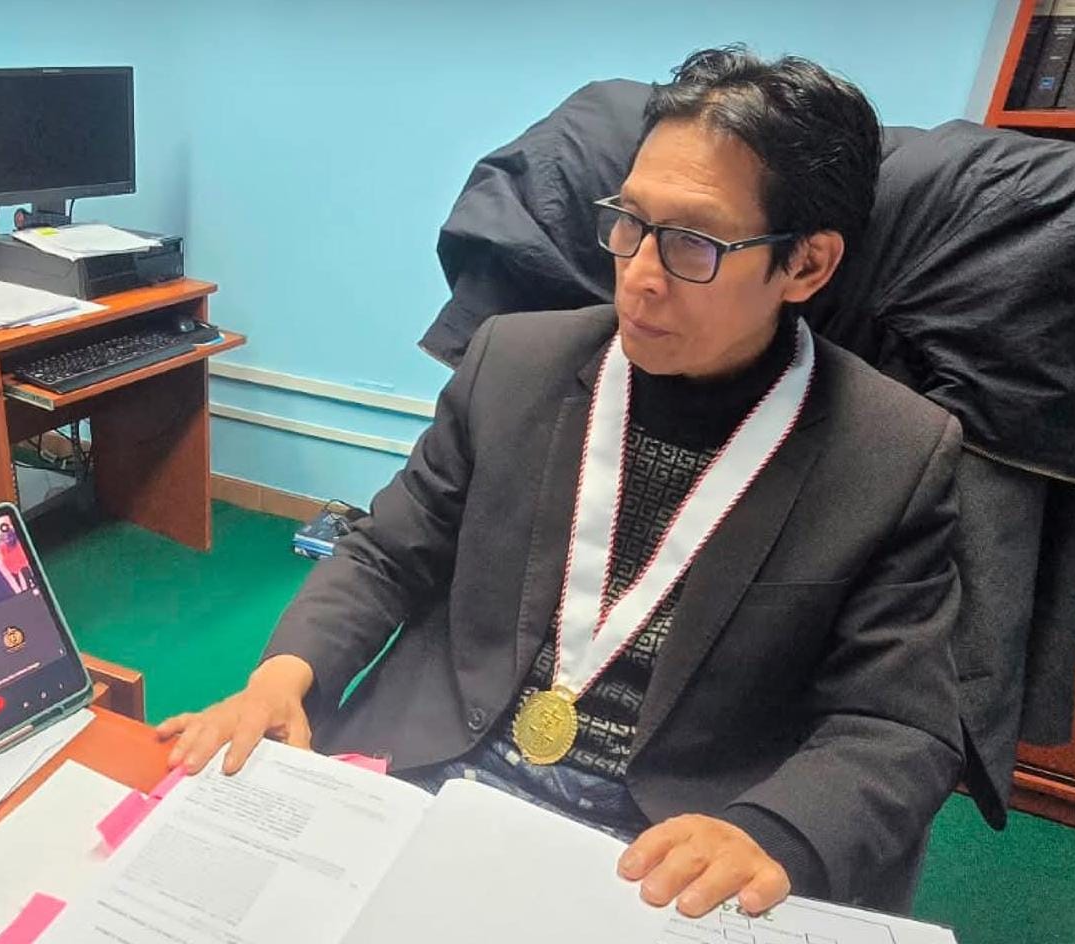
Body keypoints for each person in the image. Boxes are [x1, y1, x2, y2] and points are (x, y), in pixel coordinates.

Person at [160, 46, 963, 916]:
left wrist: (768, 831)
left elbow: (897, 726)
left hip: (662, 852)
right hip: (437, 772)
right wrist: (284, 676)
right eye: (630, 223)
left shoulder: (892, 453)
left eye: (693, 243)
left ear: (806, 266)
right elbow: (387, 553)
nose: (641, 277)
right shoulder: (514, 362)